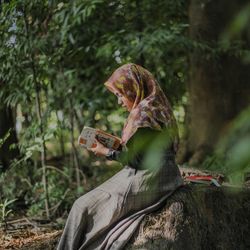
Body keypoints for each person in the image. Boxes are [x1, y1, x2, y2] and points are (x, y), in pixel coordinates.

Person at [57, 63, 183, 250]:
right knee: (87, 204)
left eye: (120, 94)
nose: (119, 101)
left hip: (153, 177)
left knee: (82, 206)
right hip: (163, 172)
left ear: (133, 89)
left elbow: (138, 161)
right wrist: (119, 145)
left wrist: (105, 151)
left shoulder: (142, 115)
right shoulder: (155, 105)